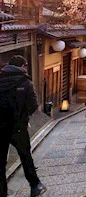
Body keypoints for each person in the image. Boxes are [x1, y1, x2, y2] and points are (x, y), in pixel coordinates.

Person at [0, 55, 47, 197]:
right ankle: (35, 185)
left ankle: (2, 192)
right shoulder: (25, 82)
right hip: (18, 126)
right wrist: (23, 115)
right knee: (25, 156)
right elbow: (33, 105)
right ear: (22, 66)